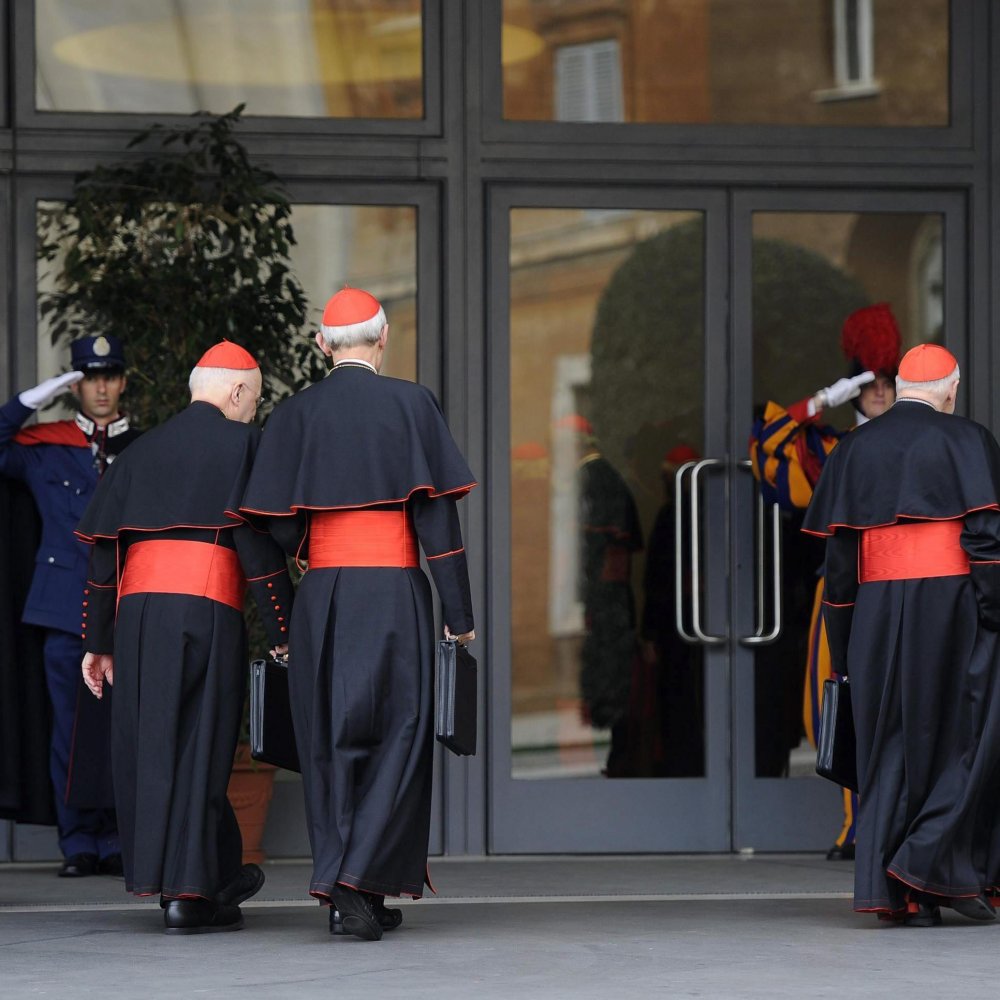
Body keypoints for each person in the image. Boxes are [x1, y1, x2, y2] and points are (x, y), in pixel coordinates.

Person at [240, 287, 476, 941]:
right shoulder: (411, 404)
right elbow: (437, 518)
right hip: (396, 588)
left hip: (322, 597)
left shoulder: (294, 415)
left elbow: (267, 529)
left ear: (322, 345)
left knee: (330, 739)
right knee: (399, 733)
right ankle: (360, 882)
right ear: (385, 338)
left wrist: (291, 603)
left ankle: (348, 886)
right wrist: (460, 614)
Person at [76, 341, 294, 935]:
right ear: (239, 392)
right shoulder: (246, 443)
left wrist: (98, 642)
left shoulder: (138, 452)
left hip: (138, 619)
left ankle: (191, 880)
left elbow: (103, 554)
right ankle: (190, 896)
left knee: (155, 746)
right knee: (201, 749)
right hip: (205, 611)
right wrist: (285, 631)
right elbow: (259, 548)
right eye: (255, 396)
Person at [803, 343, 1000, 927]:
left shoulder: (853, 449)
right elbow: (987, 543)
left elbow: (839, 570)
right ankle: (924, 865)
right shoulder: (970, 440)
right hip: (957, 605)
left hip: (876, 613)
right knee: (968, 735)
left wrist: (843, 648)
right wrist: (992, 615)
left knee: (889, 744)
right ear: (950, 389)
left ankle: (896, 896)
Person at [750, 303, 900, 857]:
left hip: (905, 587)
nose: (879, 393)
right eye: (870, 383)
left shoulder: (920, 441)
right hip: (843, 590)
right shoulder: (831, 448)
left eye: (887, 383)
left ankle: (898, 826)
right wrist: (821, 401)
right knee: (835, 703)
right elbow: (767, 451)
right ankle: (856, 824)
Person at [0, 335, 141, 877]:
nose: (100, 387)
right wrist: (30, 399)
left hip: (129, 606)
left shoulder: (143, 447)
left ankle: (120, 837)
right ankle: (79, 840)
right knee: (69, 731)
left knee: (122, 729)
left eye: (109, 376)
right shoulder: (49, 446)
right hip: (64, 609)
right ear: (75, 384)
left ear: (123, 382)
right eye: (88, 377)